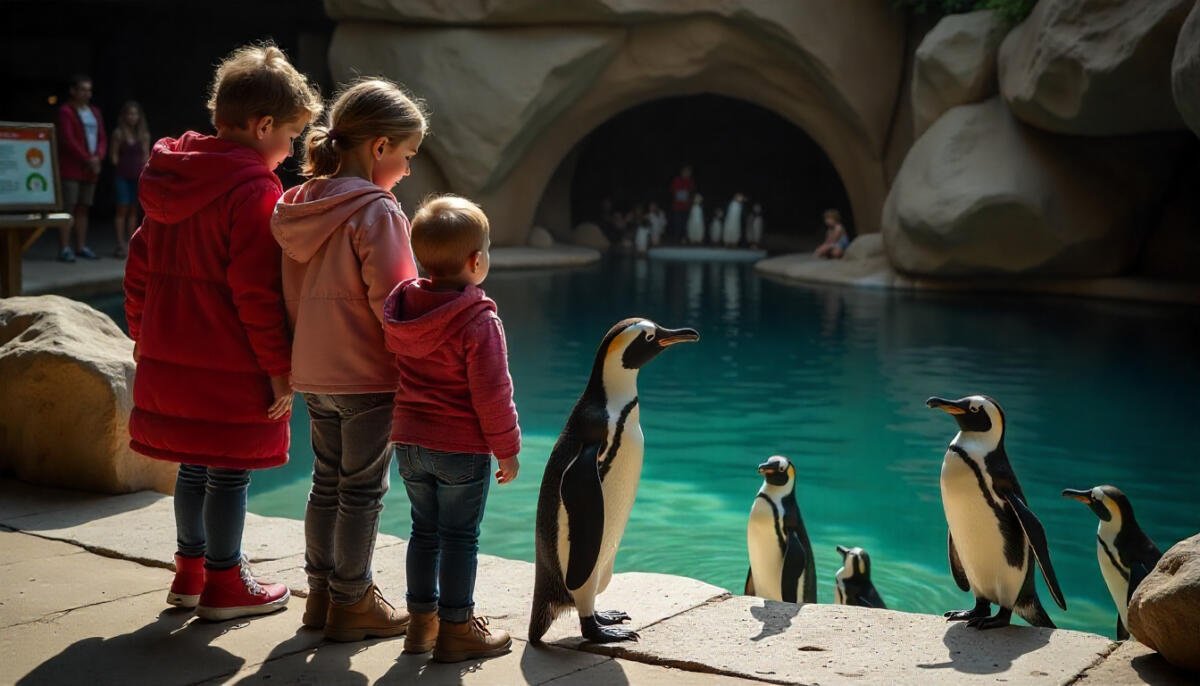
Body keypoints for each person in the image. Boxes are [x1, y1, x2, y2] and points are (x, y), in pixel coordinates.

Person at [123, 43, 322, 622]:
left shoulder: (169, 176)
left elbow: (139, 265)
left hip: (170, 353)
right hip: (230, 362)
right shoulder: (253, 189)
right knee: (229, 469)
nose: (289, 151)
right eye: (290, 137)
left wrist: (144, 334)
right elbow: (257, 294)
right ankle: (226, 581)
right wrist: (279, 368)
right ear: (263, 126)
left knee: (192, 463)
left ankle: (189, 573)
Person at [271, 78, 426, 642]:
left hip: (313, 372)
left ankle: (320, 594)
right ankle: (354, 598)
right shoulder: (378, 211)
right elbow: (395, 301)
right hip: (366, 375)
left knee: (326, 484)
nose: (407, 170)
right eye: (406, 156)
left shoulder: (299, 204)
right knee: (363, 491)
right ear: (379, 147)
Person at [383, 195, 520, 663]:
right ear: (476, 261)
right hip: (459, 448)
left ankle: (421, 627)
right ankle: (457, 627)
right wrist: (508, 449)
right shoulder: (478, 321)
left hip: (409, 444)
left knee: (424, 532)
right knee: (460, 538)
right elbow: (492, 393)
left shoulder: (404, 309)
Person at [56, 74, 106, 262]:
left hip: (90, 168)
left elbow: (102, 137)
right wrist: (87, 158)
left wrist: (98, 157)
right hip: (72, 167)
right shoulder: (66, 111)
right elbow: (68, 139)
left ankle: (81, 246)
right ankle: (64, 248)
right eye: (83, 89)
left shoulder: (94, 111)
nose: (87, 93)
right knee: (68, 207)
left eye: (89, 90)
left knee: (84, 207)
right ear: (73, 91)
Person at [109, 101, 150, 258]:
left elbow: (146, 156)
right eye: (129, 114)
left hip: (137, 177)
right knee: (122, 208)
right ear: (124, 116)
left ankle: (131, 242)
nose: (132, 117)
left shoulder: (144, 135)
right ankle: (120, 243)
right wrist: (124, 163)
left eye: (135, 114)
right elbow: (113, 157)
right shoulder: (119, 133)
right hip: (122, 176)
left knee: (134, 209)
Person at [668, 164, 695, 243]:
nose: (687, 173)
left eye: (689, 172)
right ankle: (676, 239)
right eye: (686, 171)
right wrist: (682, 193)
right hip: (677, 207)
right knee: (677, 224)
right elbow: (673, 191)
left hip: (687, 207)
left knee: (686, 224)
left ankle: (684, 239)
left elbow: (692, 193)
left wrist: (690, 200)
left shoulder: (691, 181)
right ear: (682, 172)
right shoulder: (677, 180)